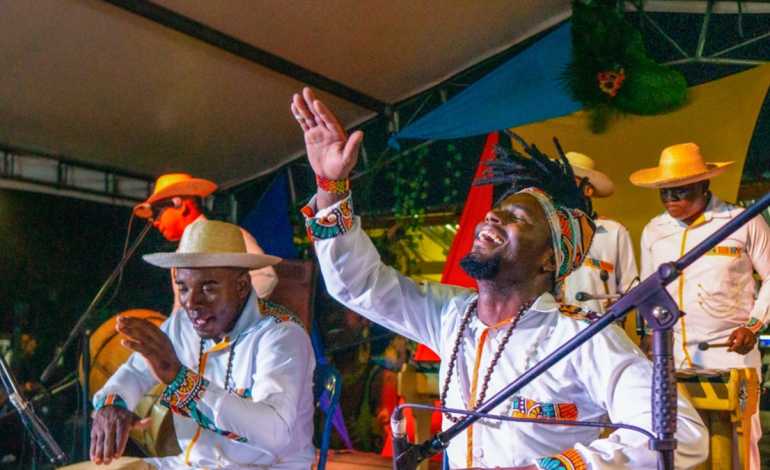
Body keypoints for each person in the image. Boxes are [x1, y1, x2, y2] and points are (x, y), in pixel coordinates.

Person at [292, 87, 707, 469]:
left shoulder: (582, 338)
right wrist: (331, 187)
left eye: (518, 218)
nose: (494, 215)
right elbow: (358, 285)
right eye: (499, 208)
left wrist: (561, 466)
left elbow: (682, 434)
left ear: (548, 260)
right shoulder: (451, 316)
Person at [90, 220, 316, 469]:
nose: (192, 302)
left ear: (242, 286)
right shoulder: (182, 325)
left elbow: (274, 433)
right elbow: (135, 372)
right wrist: (114, 403)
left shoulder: (280, 335)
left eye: (208, 287)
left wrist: (182, 381)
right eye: (183, 288)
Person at [631, 142, 770, 470]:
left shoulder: (741, 220)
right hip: (673, 359)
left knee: (739, 447)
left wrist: (754, 324)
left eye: (680, 191)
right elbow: (650, 290)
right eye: (664, 193)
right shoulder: (654, 231)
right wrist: (651, 331)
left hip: (731, 355)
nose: (670, 200)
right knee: (683, 449)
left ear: (705, 185)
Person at [134, 173, 278, 312]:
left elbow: (266, 277)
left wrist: (224, 315)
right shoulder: (179, 254)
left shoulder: (226, 234)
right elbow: (180, 308)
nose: (155, 222)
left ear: (180, 206)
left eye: (158, 213)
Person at [560, 152, 638, 317]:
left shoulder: (614, 232)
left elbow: (630, 288)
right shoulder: (545, 229)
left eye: (569, 181)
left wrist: (619, 305)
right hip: (553, 335)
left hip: (598, 333)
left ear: (588, 189)